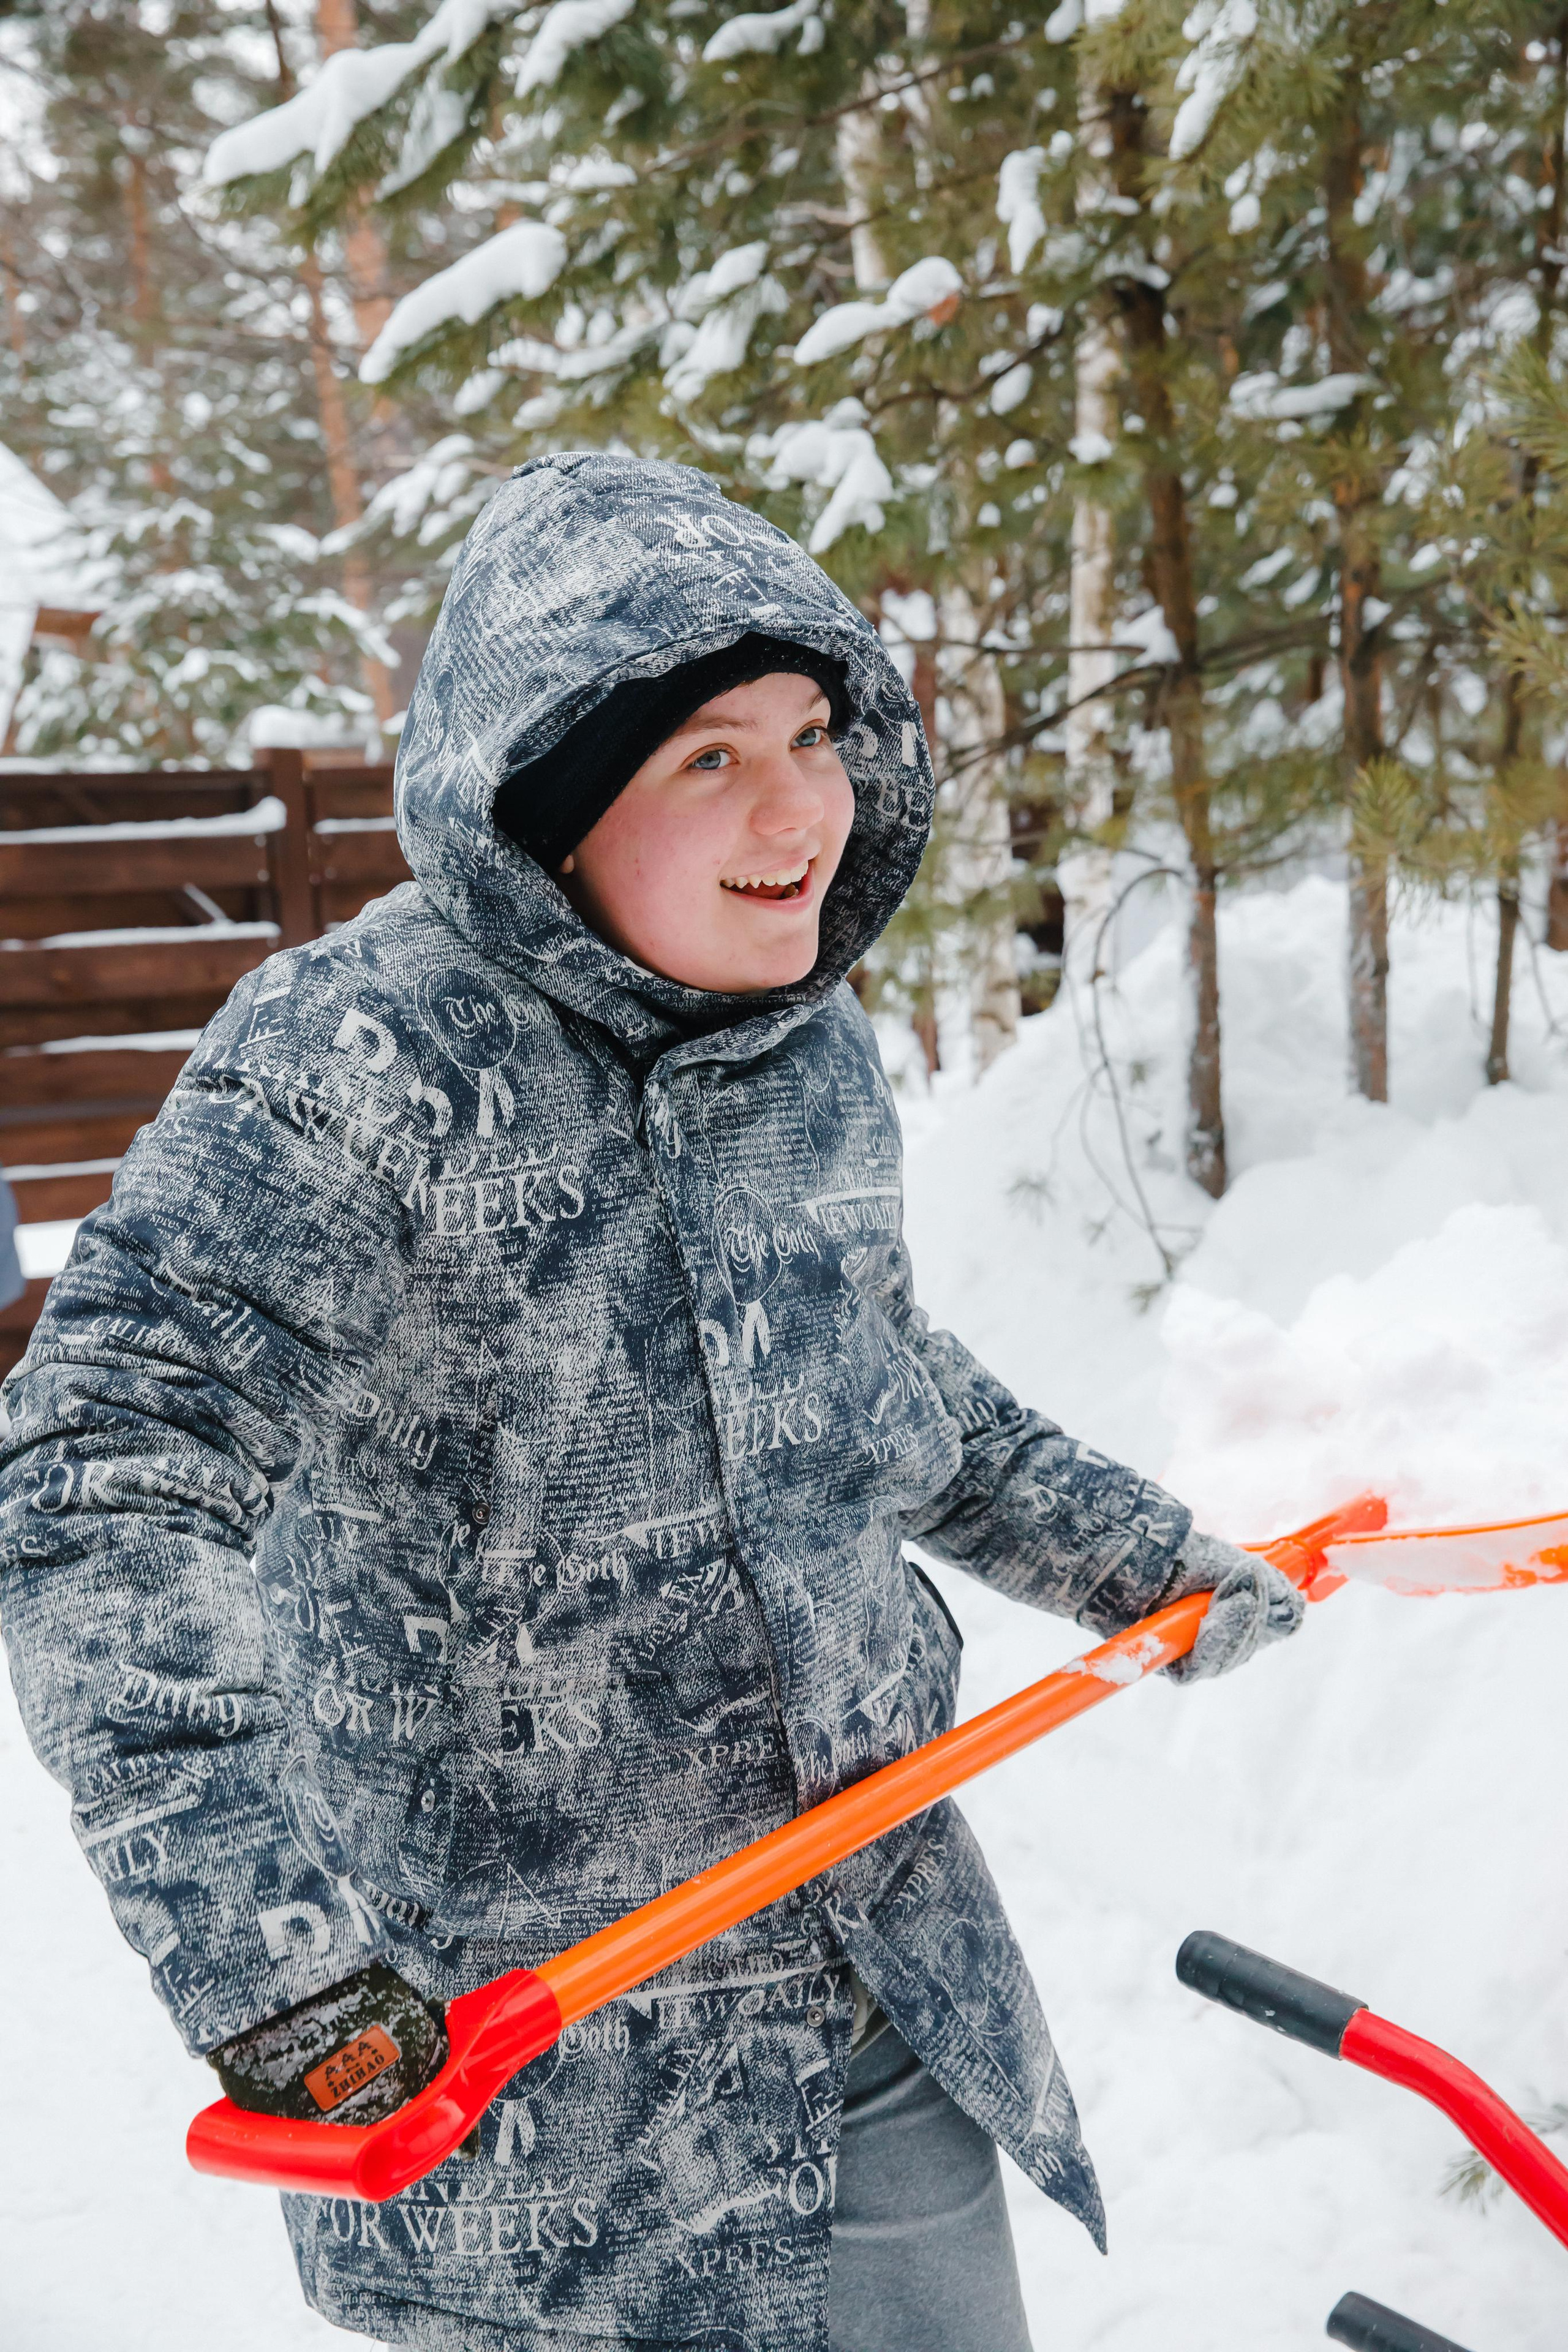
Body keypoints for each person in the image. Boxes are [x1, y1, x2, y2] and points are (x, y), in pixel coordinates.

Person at [0, 454, 1302, 2352]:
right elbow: (100, 1480)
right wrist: (279, 1971)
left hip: (864, 1985)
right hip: (536, 2098)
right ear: (553, 799)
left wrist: (1136, 1556)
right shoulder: (347, 1070)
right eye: (708, 757)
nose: (798, 809)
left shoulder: (806, 1047)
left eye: (813, 734)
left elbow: (863, 1367)